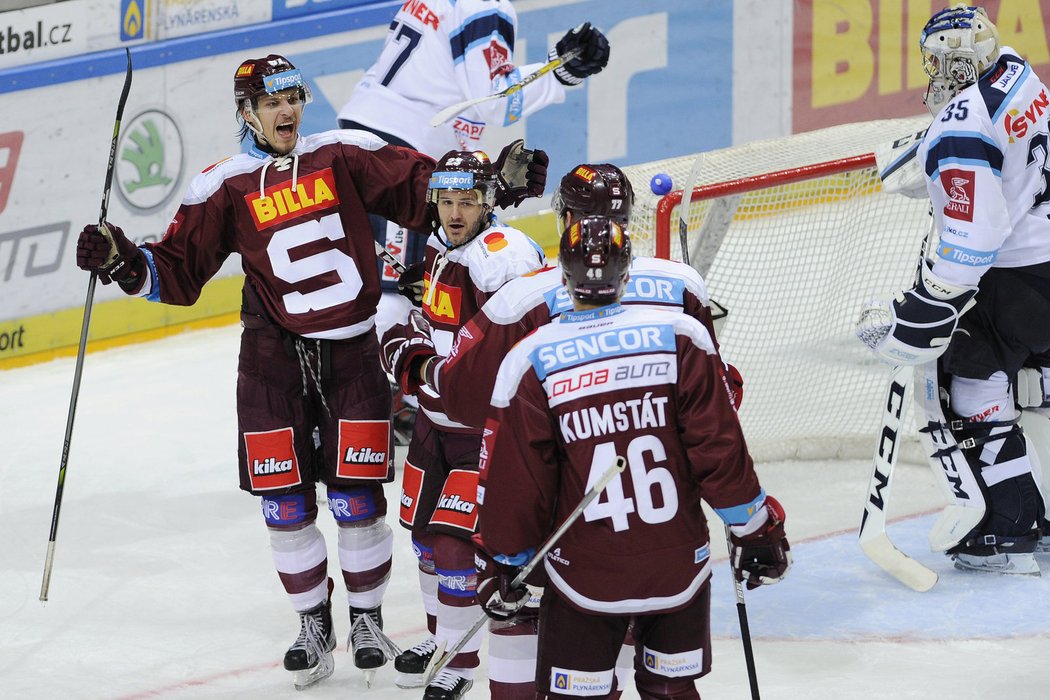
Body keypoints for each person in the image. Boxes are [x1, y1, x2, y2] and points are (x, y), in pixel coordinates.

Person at [73, 54, 546, 691]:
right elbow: (175, 274)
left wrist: (500, 183)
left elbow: (433, 193)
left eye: (293, 97)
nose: (287, 111)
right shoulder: (224, 186)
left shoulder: (344, 154)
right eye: (271, 103)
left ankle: (367, 620)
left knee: (355, 499)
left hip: (353, 356)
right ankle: (311, 625)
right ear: (247, 113)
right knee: (284, 505)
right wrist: (120, 258)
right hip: (272, 362)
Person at [387, 165, 739, 698]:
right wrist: (753, 523)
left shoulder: (525, 299)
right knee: (664, 680)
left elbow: (465, 396)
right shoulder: (681, 287)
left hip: (574, 519)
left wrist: (410, 361)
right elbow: (720, 400)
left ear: (566, 219)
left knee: (561, 652)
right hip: (669, 528)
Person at [471, 216, 791, 699]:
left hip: (585, 570)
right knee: (671, 689)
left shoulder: (531, 357)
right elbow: (719, 450)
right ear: (628, 275)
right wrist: (755, 528)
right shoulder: (682, 334)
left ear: (563, 279)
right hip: (679, 562)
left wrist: (505, 562)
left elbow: (521, 480)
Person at [337, 1, 609, 444]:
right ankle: (366, 422)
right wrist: (557, 75)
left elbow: (458, 90)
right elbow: (497, 100)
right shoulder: (484, 4)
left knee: (401, 281)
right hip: (402, 149)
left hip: (368, 138)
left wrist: (556, 68)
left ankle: (382, 405)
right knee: (394, 293)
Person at [856, 4, 1050, 575]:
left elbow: (971, 243)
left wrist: (917, 314)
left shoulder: (959, 127)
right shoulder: (1017, 70)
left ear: (953, 60)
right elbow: (998, 138)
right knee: (1042, 381)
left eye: (936, 61)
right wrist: (935, 151)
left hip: (1018, 280)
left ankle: (1005, 530)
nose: (931, 71)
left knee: (967, 380)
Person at [379, 149, 547, 699]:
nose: (455, 212)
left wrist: (419, 366)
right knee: (424, 538)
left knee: (455, 545)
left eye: (467, 201)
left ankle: (460, 663)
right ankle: (443, 636)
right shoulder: (436, 245)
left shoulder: (504, 257)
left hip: (481, 432)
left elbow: (516, 351)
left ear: (487, 201)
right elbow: (435, 322)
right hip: (432, 422)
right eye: (447, 201)